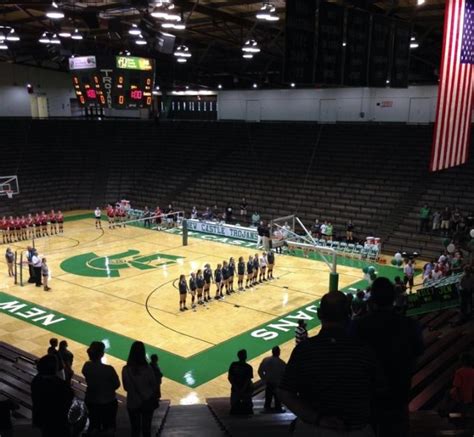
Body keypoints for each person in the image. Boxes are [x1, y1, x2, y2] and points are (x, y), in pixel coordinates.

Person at [279, 291, 377, 436]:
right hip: (356, 429)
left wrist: (318, 419)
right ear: (349, 313)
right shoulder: (365, 350)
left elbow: (285, 393)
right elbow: (380, 390)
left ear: (319, 314)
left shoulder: (303, 351)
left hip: (313, 429)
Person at [351, 277, 424, 437]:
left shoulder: (358, 326)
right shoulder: (411, 325)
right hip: (398, 393)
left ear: (372, 300)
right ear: (393, 299)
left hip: (366, 397)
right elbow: (418, 356)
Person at [82, 341, 120, 436]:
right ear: (102, 354)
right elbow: (116, 385)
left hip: (91, 400)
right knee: (109, 427)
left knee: (94, 425)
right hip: (107, 402)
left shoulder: (86, 366)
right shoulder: (109, 369)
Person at [31, 354, 74, 437]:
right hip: (58, 420)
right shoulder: (60, 384)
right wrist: (68, 381)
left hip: (42, 417)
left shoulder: (36, 380)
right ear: (54, 369)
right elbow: (69, 398)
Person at [122, 341, 159, 437]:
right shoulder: (148, 368)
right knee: (146, 430)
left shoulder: (125, 369)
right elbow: (154, 385)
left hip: (132, 402)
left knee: (135, 430)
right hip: (147, 401)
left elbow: (125, 388)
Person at [258, 346, 286, 413]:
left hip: (268, 382)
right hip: (277, 383)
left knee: (268, 399)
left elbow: (260, 371)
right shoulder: (282, 363)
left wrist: (264, 379)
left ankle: (267, 409)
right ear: (279, 353)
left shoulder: (266, 360)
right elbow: (285, 375)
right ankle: (278, 409)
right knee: (277, 399)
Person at [228, 349, 253, 415]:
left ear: (238, 356)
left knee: (234, 410)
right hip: (246, 391)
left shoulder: (233, 365)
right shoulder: (248, 367)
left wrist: (236, 388)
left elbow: (230, 378)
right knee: (248, 411)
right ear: (246, 356)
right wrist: (243, 389)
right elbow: (248, 380)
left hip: (235, 390)